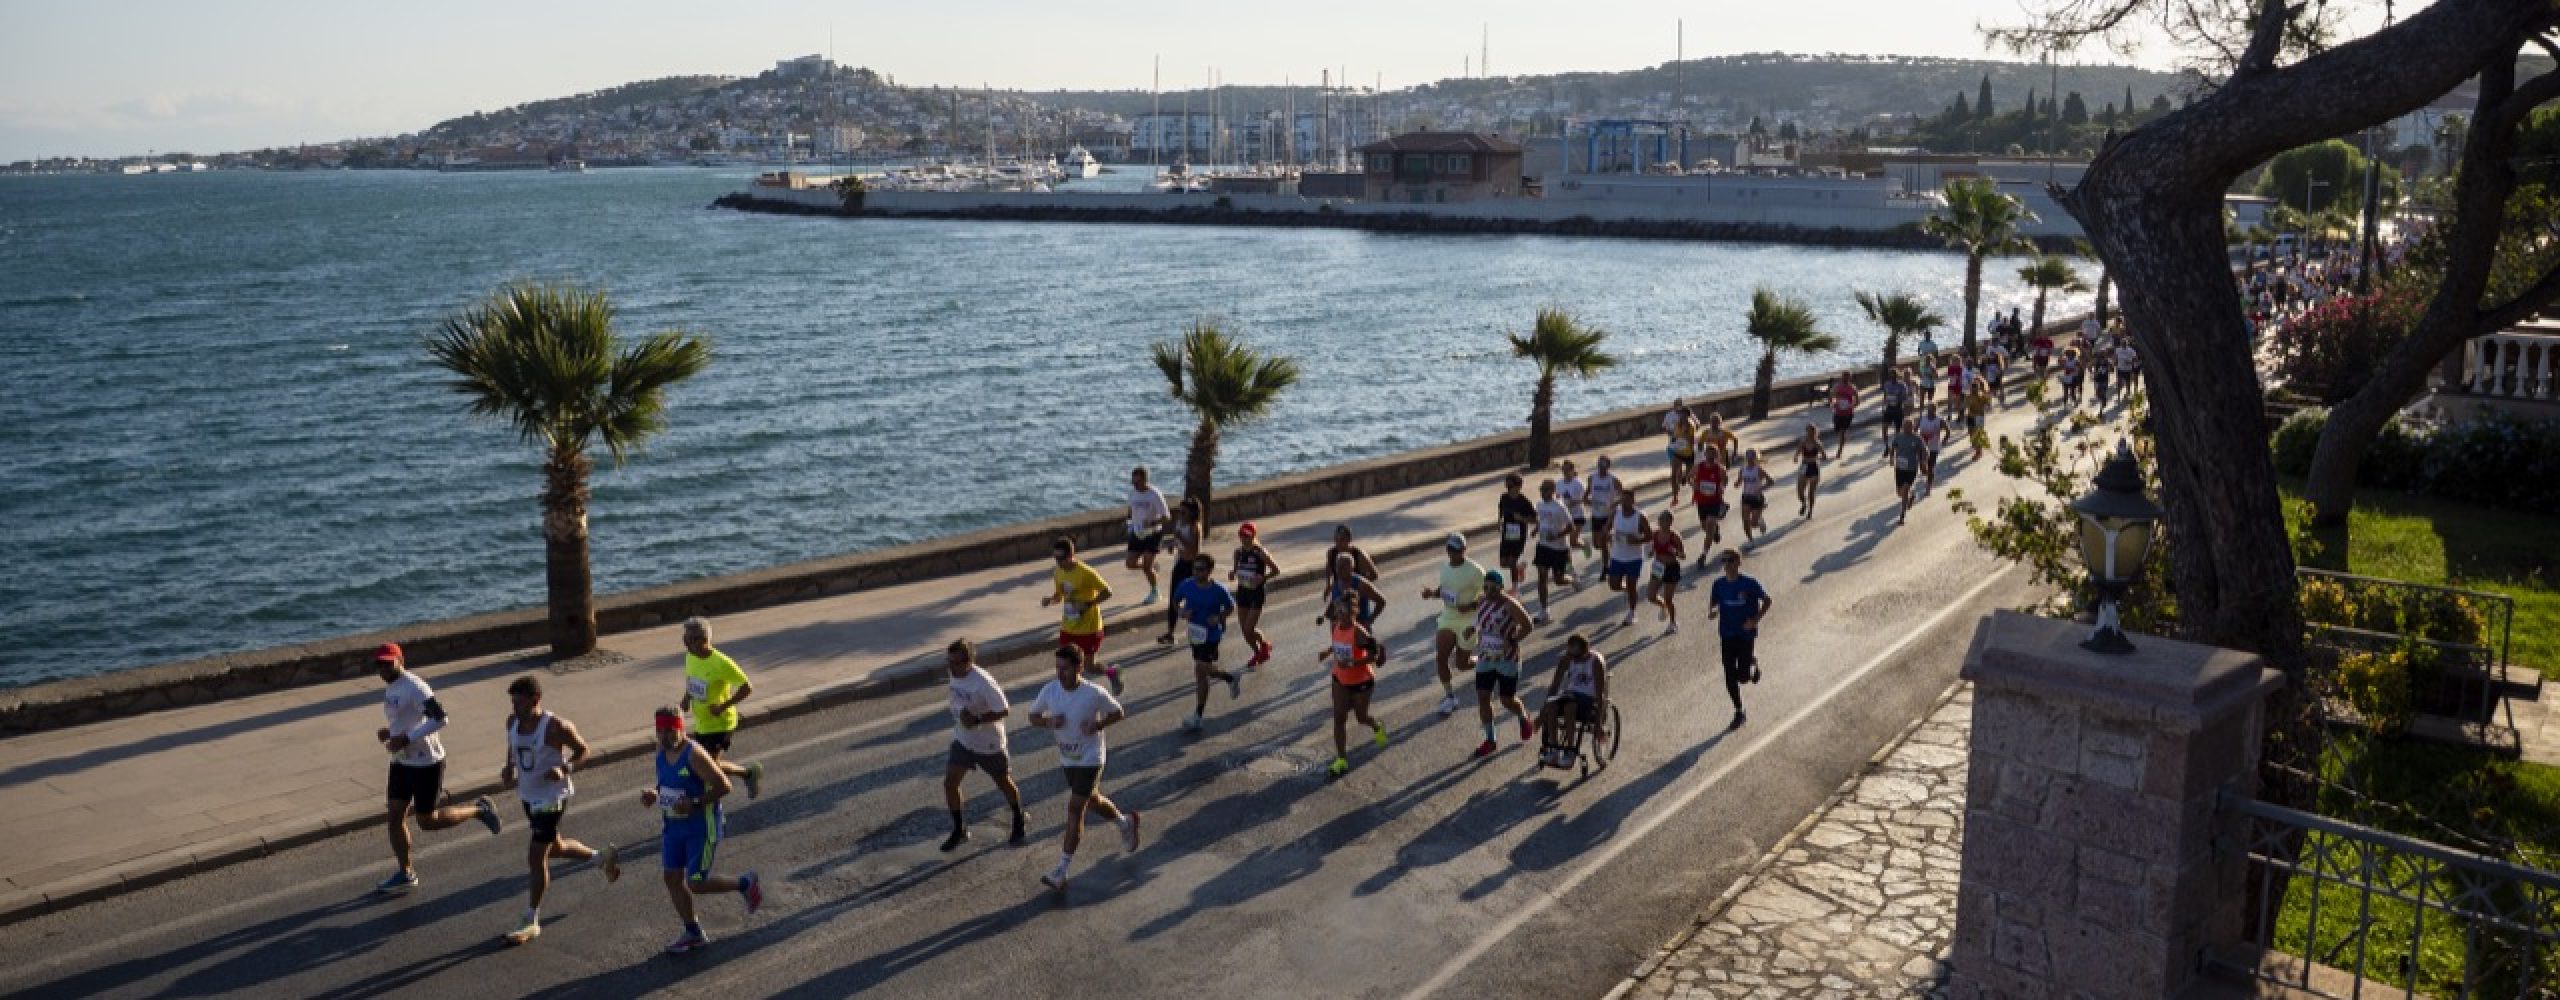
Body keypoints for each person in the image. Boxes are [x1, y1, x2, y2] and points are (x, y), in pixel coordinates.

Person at [371, 642, 501, 895]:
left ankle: (479, 810)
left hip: (426, 763)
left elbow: (440, 718)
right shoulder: (392, 687)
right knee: (394, 816)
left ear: (400, 660)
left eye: (388, 663)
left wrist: (406, 738)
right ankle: (406, 873)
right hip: (401, 762)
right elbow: (409, 719)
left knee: (427, 821)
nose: (383, 668)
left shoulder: (416, 687)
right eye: (379, 664)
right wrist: (391, 732)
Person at [641, 707, 762, 954]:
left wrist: (694, 803)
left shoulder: (694, 754)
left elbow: (724, 785)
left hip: (701, 828)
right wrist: (655, 794)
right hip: (673, 827)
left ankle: (745, 883)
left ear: (680, 728)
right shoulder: (661, 751)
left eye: (669, 730)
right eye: (659, 730)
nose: (664, 736)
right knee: (671, 878)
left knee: (696, 882)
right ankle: (693, 932)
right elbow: (666, 783)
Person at [1029, 645, 1139, 893]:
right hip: (1069, 758)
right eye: (1057, 668)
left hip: (1091, 758)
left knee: (1075, 808)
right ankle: (1125, 823)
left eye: (1065, 669)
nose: (1060, 674)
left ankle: (1061, 870)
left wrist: (1098, 725)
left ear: (1079, 668)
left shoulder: (1093, 693)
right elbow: (1032, 716)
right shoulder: (1050, 690)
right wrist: (1048, 722)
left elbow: (1118, 712)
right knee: (1093, 801)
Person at [499, 675, 595, 945]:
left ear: (535, 699)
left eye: (520, 702)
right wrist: (509, 767)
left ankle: (531, 918)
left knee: (536, 856)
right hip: (528, 795)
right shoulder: (512, 721)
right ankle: (601, 858)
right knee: (556, 848)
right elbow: (512, 746)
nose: (515, 707)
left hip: (552, 797)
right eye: (513, 702)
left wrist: (565, 768)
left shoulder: (556, 726)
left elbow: (584, 750)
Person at [940, 639, 1026, 853]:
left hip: (989, 743)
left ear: (968, 662)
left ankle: (1018, 817)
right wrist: (963, 715)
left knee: (1003, 782)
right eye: (948, 662)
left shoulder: (984, 682)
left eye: (955, 663)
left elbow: (1004, 709)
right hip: (964, 739)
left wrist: (977, 719)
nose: (950, 667)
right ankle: (960, 829)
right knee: (950, 783)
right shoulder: (954, 673)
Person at [680, 618, 765, 799]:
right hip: (702, 722)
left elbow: (747, 687)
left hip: (721, 723)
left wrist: (723, 706)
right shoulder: (690, 657)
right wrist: (686, 699)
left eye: (690, 640)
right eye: (684, 639)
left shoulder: (721, 663)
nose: (685, 644)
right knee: (707, 765)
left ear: (703, 640)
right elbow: (692, 681)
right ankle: (748, 774)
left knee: (706, 766)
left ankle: (712, 799)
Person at [1159, 554, 1241, 731]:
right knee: (1201, 674)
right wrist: (1181, 612)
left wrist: (1219, 617)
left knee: (1200, 667)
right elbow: (1175, 601)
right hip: (1195, 634)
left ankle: (1198, 715)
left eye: (1201, 569)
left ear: (1210, 571)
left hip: (1212, 635)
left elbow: (1230, 607)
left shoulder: (1218, 589)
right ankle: (1229, 679)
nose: (1196, 572)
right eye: (1194, 569)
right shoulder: (1186, 585)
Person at [1318, 598, 1390, 778]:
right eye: (1339, 611)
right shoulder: (1336, 625)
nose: (1341, 615)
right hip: (1340, 679)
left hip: (1361, 681)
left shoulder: (1359, 632)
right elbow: (1339, 643)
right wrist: (1328, 651)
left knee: (1361, 717)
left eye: (1345, 612)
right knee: (1339, 718)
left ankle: (1377, 726)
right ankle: (1341, 759)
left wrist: (1352, 662)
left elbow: (1374, 655)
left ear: (1354, 612)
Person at [1468, 571, 1535, 758]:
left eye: (1493, 588)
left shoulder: (1510, 604)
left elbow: (1528, 625)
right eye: (1486, 587)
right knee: (1483, 697)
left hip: (1507, 659)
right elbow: (1480, 619)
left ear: (1501, 588)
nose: (1489, 591)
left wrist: (1512, 640)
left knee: (1507, 700)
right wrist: (1471, 629)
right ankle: (1490, 740)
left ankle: (1523, 717)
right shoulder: (1482, 600)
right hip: (1486, 657)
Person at [1044, 536, 1121, 694]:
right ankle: (1071, 694)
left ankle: (1112, 672)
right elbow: (1059, 595)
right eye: (1055, 558)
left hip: (1089, 628)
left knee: (1089, 667)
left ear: (1071, 555)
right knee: (1066, 663)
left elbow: (1107, 592)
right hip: (1068, 626)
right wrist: (1050, 600)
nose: (1058, 562)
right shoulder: (1058, 572)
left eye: (1061, 558)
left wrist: (1088, 603)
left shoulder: (1086, 572)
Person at [1423, 533, 1487, 718]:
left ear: (1465, 550)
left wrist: (1471, 605)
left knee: (1462, 664)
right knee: (1441, 658)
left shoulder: (1475, 570)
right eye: (1451, 549)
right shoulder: (1445, 567)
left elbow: (1490, 594)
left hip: (1469, 621)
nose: (1455, 553)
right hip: (1448, 617)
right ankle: (1450, 697)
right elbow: (1445, 589)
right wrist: (1432, 594)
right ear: (1447, 550)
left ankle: (1483, 660)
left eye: (1458, 550)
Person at [1706, 551, 1773, 729]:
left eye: (1730, 560)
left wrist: (1755, 620)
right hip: (1727, 634)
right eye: (1724, 560)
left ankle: (1751, 662)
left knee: (1743, 677)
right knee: (1729, 674)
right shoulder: (1718, 584)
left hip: (1745, 634)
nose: (1727, 564)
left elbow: (1767, 600)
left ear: (1738, 562)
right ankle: (1739, 711)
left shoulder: (1749, 583)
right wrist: (1713, 611)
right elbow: (1713, 602)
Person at [1533, 634, 1611, 769]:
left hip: (1588, 699)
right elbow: (1554, 686)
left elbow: (1600, 695)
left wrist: (1599, 724)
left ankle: (1570, 751)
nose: (1573, 659)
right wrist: (1542, 711)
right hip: (1570, 695)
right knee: (1552, 705)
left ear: (1586, 652)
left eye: (1576, 656)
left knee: (1570, 707)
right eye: (1570, 654)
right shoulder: (1567, 658)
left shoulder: (1596, 661)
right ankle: (1554, 748)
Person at [1229, 522, 1280, 669]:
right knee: (1244, 630)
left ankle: (1262, 648)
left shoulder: (1260, 552)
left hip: (1256, 593)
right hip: (1242, 591)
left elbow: (1276, 570)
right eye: (1242, 535)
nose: (1244, 538)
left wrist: (1263, 578)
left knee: (1248, 629)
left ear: (1253, 536)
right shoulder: (1238, 553)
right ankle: (1259, 651)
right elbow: (1235, 570)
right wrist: (1232, 574)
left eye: (1247, 536)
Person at [1318, 524, 1385, 626]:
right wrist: (1328, 584)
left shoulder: (1359, 554)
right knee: (1337, 620)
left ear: (1349, 540)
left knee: (1357, 622)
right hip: (1340, 589)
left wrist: (1359, 586)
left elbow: (1374, 574)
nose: (1338, 543)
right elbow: (1329, 567)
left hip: (1357, 594)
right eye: (1336, 540)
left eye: (1341, 540)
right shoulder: (1332, 553)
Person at [1530, 478, 1574, 625]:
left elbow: (1571, 527)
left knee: (1558, 580)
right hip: (1543, 546)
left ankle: (1573, 579)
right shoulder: (1539, 505)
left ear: (1553, 491)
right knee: (1542, 576)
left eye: (1545, 490)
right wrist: (1536, 529)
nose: (1542, 492)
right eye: (1541, 489)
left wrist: (1556, 535)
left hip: (1559, 548)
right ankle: (1544, 611)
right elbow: (1540, 520)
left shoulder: (1560, 507)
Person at [1125, 467, 1172, 605]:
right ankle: (1152, 567)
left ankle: (1155, 591)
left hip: (1152, 533)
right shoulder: (1133, 493)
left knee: (1146, 567)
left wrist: (1152, 522)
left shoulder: (1154, 494)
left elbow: (1167, 517)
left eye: (1137, 482)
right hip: (1137, 532)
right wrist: (1129, 523)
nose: (1135, 485)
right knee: (1130, 563)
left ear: (1145, 480)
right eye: (1133, 482)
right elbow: (1130, 511)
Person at [1604, 488, 1649, 627]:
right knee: (1613, 585)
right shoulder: (1615, 513)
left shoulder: (1640, 517)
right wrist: (1608, 535)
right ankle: (1628, 592)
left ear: (1633, 501)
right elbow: (1606, 529)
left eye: (1627, 499)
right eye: (1622, 499)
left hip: (1634, 557)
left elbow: (1649, 536)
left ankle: (1632, 613)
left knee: (1632, 585)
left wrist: (1637, 540)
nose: (1624, 502)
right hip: (1617, 556)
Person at [1645, 510, 1686, 633]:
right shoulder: (1655, 534)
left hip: (1671, 568)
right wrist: (1650, 552)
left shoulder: (1675, 536)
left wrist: (1675, 552)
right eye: (1660, 520)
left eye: (1664, 520)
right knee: (1651, 596)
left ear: (1670, 522)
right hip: (1658, 568)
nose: (1661, 522)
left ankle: (1673, 622)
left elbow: (1683, 555)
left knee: (1668, 599)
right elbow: (1650, 549)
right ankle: (1663, 606)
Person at [1584, 455, 1624, 574]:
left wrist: (1614, 503)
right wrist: (1587, 501)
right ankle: (1613, 538)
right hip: (1596, 514)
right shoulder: (1591, 478)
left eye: (1604, 465)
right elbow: (1586, 494)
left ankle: (1606, 567)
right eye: (1600, 465)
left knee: (1603, 542)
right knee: (1597, 544)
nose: (1601, 468)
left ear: (1608, 466)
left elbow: (1623, 496)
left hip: (1609, 515)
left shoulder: (1613, 480)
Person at [1496, 473, 1538, 586]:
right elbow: (1501, 509)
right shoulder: (1504, 497)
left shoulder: (1524, 501)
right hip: (1507, 533)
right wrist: (1499, 521)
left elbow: (1535, 519)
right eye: (1507, 486)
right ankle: (1519, 567)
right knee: (1503, 563)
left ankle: (1515, 587)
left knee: (1512, 561)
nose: (1509, 488)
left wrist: (1522, 518)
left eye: (1511, 486)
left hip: (1519, 534)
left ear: (1519, 486)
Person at [1691, 445, 1729, 561]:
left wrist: (1722, 487)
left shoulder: (1720, 469)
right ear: (1705, 454)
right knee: (1705, 527)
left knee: (1709, 527)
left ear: (1716, 455)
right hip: (1701, 502)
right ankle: (1715, 530)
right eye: (1708, 453)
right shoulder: (1698, 467)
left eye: (1713, 454)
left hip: (1714, 502)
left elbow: (1725, 481)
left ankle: (1703, 554)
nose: (1710, 456)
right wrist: (1693, 485)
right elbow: (1688, 477)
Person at [1888, 417, 1926, 526]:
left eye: (1909, 426)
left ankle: (1902, 516)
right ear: (1902, 427)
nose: (1907, 428)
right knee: (1899, 493)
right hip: (1899, 468)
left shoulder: (1917, 439)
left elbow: (1924, 451)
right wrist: (1891, 458)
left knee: (1904, 491)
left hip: (1911, 469)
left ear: (1913, 427)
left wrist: (1923, 462)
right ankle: (1911, 495)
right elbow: (1893, 447)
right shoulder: (1899, 437)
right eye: (1905, 426)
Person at [1556, 459, 1591, 561]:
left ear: (1572, 470)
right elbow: (1557, 497)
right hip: (1564, 516)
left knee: (1573, 542)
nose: (1565, 472)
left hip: (1577, 515)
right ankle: (1569, 566)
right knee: (1564, 544)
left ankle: (1585, 546)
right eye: (1563, 470)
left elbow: (1585, 499)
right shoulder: (1559, 483)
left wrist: (1574, 502)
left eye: (1567, 470)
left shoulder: (1578, 483)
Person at [1663, 403, 1698, 505]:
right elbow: (1675, 435)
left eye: (1683, 414)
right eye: (1679, 414)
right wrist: (1674, 438)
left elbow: (1692, 441)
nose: (1680, 416)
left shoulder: (1691, 425)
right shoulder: (1678, 424)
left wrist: (1684, 435)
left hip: (1688, 453)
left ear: (1688, 415)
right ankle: (1675, 497)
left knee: (1689, 478)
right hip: (1677, 452)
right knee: (1673, 474)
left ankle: (1695, 493)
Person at [1735, 449, 1771, 543]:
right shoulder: (1742, 470)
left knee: (1753, 524)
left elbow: (1770, 481)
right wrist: (1737, 484)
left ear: (1755, 458)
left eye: (1752, 457)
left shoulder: (1758, 470)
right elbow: (1739, 481)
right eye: (1748, 457)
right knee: (1745, 521)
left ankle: (1759, 521)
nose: (1750, 459)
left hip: (1757, 498)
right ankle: (1750, 540)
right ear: (1746, 458)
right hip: (1746, 497)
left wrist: (1760, 488)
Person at [1792, 423, 1824, 519]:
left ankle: (1810, 511)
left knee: (1811, 492)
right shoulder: (1803, 442)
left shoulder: (1817, 443)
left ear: (1814, 432)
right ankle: (1804, 503)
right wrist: (1795, 457)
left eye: (1811, 431)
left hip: (1814, 467)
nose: (1809, 433)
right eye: (1808, 431)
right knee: (1800, 492)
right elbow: (1797, 452)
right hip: (1804, 467)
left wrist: (1816, 459)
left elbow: (1824, 456)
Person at [1915, 404, 1949, 496]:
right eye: (1929, 410)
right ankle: (1929, 475)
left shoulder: (1940, 420)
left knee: (1931, 467)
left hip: (1934, 447)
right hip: (1922, 447)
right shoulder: (1921, 419)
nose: (1930, 412)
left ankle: (1928, 486)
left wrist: (1945, 439)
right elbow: (1914, 431)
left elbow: (1948, 430)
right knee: (1923, 469)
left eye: (1932, 410)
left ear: (1935, 410)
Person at [1825, 376, 1859, 460]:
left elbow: (1857, 402)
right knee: (1838, 430)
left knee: (1842, 432)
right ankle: (1843, 439)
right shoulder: (1837, 387)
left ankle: (1839, 451)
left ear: (1850, 378)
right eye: (1844, 377)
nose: (1845, 379)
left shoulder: (1852, 388)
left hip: (1848, 414)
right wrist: (1832, 403)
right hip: (1838, 413)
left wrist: (1851, 406)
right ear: (1842, 378)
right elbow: (1830, 395)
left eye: (1847, 377)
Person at [1166, 496, 1205, 569]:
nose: (1180, 515)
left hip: (1190, 562)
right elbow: (1176, 538)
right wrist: (1172, 545)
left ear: (1192, 513)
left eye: (1183, 513)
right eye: (1179, 512)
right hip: (1180, 559)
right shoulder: (1179, 523)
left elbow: (1194, 550)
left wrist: (1180, 537)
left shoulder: (1194, 527)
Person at [1878, 369, 1910, 446]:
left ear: (1897, 375)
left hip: (1898, 409)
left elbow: (1905, 397)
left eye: (1894, 375)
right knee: (1884, 427)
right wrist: (1883, 407)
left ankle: (1896, 446)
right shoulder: (1887, 384)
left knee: (1897, 430)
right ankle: (1886, 446)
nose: (1892, 377)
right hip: (1889, 408)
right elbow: (1885, 396)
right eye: (1891, 375)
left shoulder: (1902, 385)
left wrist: (1897, 398)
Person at [1963, 375, 1991, 460]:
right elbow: (1965, 405)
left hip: (1979, 417)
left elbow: (1988, 406)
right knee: (1971, 433)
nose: (1973, 389)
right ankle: (1976, 447)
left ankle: (1979, 452)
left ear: (1978, 388)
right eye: (1972, 388)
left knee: (1977, 435)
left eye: (1975, 388)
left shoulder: (1982, 396)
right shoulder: (1968, 396)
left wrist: (1984, 407)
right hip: (1970, 416)